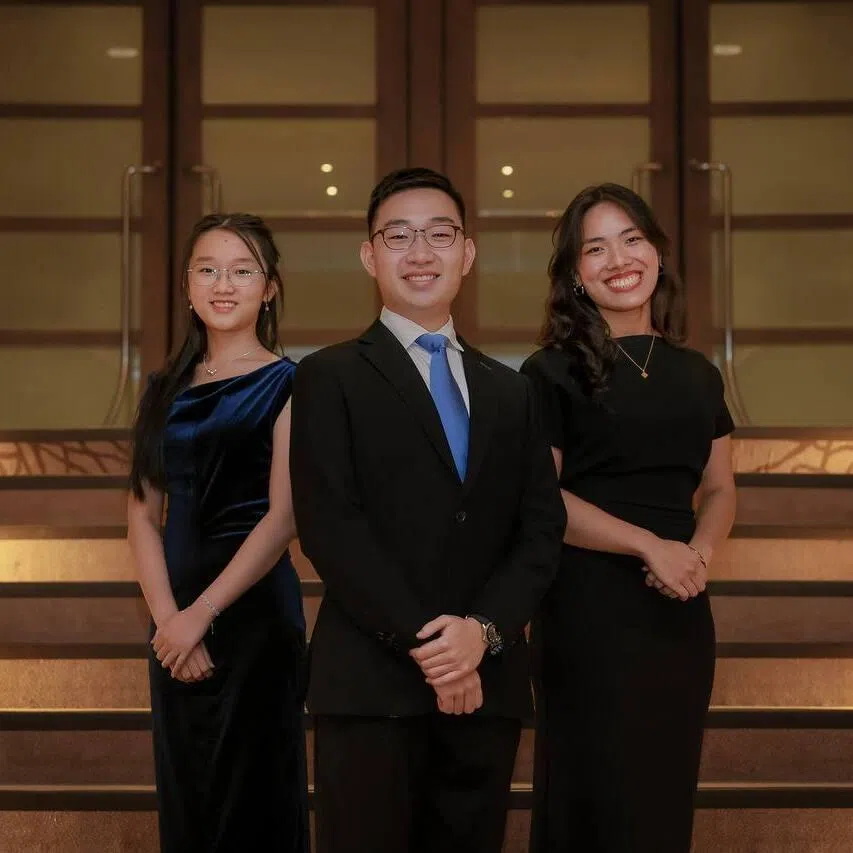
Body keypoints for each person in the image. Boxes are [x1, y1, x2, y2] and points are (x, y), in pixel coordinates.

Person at [289, 166, 565, 853]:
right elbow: (330, 525)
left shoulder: (512, 392)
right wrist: (436, 648)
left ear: (466, 253)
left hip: (488, 686)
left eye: (439, 235)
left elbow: (539, 531)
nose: (420, 253)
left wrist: (483, 632)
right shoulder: (327, 376)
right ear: (369, 254)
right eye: (399, 236)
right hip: (370, 685)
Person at [520, 183, 737, 853]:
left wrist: (695, 553)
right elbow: (540, 497)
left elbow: (721, 487)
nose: (618, 258)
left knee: (662, 795)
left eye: (631, 238)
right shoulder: (549, 371)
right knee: (592, 793)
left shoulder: (698, 374)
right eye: (595, 247)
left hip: (677, 608)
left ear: (656, 253)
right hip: (587, 608)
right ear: (576, 276)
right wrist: (650, 545)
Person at [127, 213, 308, 853]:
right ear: (187, 286)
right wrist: (169, 621)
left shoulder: (291, 383)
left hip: (254, 618)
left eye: (241, 270)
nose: (222, 283)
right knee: (189, 804)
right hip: (171, 624)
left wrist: (201, 614)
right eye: (207, 269)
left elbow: (282, 517)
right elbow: (144, 516)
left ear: (270, 287)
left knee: (255, 806)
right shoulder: (161, 388)